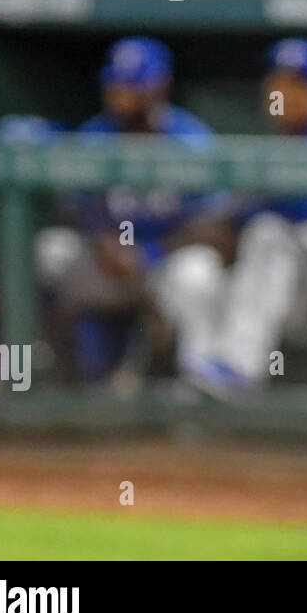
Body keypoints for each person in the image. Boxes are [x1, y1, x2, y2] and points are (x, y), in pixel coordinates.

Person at [153, 38, 307, 395]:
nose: (280, 91)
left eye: (295, 84)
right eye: (276, 81)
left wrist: (233, 224)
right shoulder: (276, 145)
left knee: (269, 234)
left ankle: (240, 370)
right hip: (298, 273)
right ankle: (203, 381)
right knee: (196, 271)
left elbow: (302, 209)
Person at [36, 37, 220, 383]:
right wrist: (101, 239)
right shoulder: (94, 137)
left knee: (199, 272)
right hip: (109, 266)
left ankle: (197, 386)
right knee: (52, 251)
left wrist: (152, 253)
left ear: (158, 88)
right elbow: (71, 207)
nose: (120, 93)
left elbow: (215, 224)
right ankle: (50, 369)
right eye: (116, 83)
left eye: (132, 84)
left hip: (165, 265)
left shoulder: (191, 140)